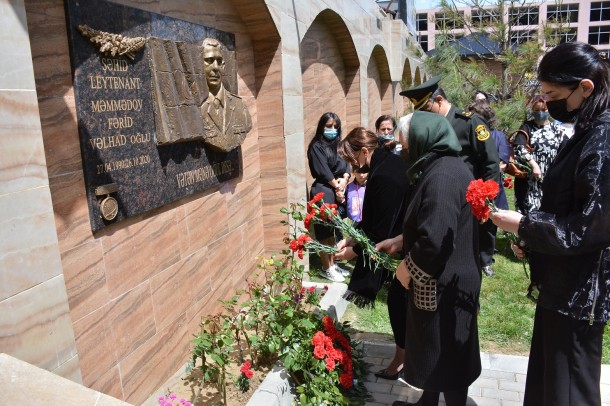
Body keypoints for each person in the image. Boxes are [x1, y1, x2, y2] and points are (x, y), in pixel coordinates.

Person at [489, 42, 610, 406]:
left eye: (554, 94)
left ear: (584, 88)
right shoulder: (588, 130)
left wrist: (524, 225)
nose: (547, 102)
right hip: (563, 286)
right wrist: (531, 235)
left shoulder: (602, 140)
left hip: (579, 294)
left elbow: (588, 227)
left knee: (568, 388)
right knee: (550, 384)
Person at [378, 112, 481, 406]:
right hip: (445, 278)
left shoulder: (443, 176)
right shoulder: (442, 167)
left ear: (423, 139)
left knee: (447, 356)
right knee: (436, 350)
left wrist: (406, 269)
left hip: (444, 283)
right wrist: (402, 240)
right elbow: (438, 223)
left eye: (405, 144)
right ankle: (428, 401)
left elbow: (435, 242)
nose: (402, 150)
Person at [400, 77, 501, 278]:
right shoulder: (429, 127)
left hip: (469, 196)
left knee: (468, 239)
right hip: (440, 192)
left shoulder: (469, 122)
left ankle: (483, 259)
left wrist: (485, 202)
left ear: (438, 100)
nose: (424, 116)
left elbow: (490, 163)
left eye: (426, 109)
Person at [335, 127, 411, 381]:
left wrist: (353, 252)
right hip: (401, 241)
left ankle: (403, 360)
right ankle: (405, 357)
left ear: (365, 151)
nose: (352, 165)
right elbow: (373, 218)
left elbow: (379, 228)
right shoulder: (388, 163)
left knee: (399, 302)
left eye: (352, 158)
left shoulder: (384, 175)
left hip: (402, 246)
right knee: (400, 302)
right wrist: (350, 237)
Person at [468, 99, 510, 276]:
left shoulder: (497, 136)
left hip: (490, 187)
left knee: (489, 226)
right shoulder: (468, 134)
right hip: (471, 187)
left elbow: (501, 160)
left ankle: (486, 260)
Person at [307, 112, 351, 282]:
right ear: (322, 127)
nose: (332, 129)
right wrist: (337, 186)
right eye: (329, 126)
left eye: (335, 126)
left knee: (333, 231)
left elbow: (348, 163)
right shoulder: (316, 146)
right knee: (324, 232)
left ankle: (333, 264)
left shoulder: (339, 144)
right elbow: (322, 170)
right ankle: (326, 267)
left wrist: (345, 179)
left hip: (338, 189)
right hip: (323, 191)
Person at [512, 95, 570, 214]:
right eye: (537, 110)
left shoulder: (557, 130)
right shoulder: (527, 127)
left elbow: (565, 152)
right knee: (530, 213)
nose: (540, 113)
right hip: (530, 181)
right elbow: (518, 148)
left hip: (551, 180)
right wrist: (534, 165)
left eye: (543, 110)